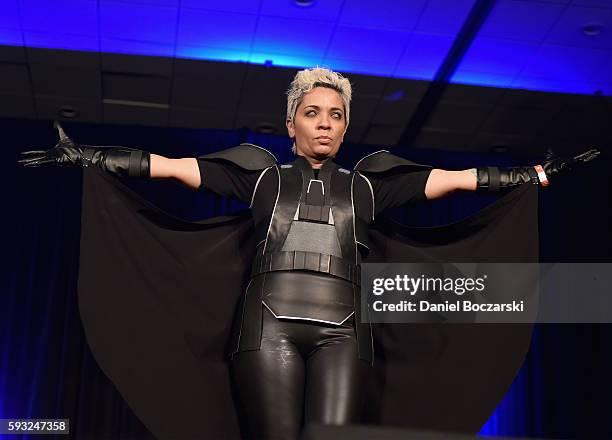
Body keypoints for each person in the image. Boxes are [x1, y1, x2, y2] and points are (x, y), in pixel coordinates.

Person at [19, 67, 599, 440]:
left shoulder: (372, 181)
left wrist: (533, 174)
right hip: (265, 331)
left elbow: (456, 179)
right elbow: (171, 168)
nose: (325, 124)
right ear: (290, 123)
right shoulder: (258, 174)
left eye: (337, 115)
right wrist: (92, 159)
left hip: (347, 332)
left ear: (346, 130)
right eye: (313, 113)